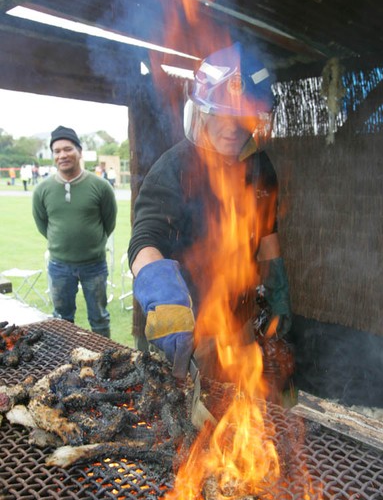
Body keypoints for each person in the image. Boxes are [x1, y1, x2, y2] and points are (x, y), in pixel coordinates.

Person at [127, 43, 292, 380]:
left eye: (242, 115)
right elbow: (144, 241)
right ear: (201, 112)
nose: (232, 127)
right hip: (191, 331)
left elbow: (267, 233)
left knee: (242, 419)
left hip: (243, 322)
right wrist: (162, 294)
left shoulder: (261, 167)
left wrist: (278, 290)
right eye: (221, 113)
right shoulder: (172, 169)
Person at [32, 126, 117, 337]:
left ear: (79, 151)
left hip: (94, 266)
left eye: (68, 149)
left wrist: (91, 244)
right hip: (59, 266)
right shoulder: (42, 190)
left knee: (99, 318)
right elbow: (43, 224)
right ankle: (64, 363)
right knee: (62, 319)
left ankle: (104, 362)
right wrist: (62, 245)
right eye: (57, 151)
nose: (62, 155)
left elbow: (109, 222)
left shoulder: (100, 186)